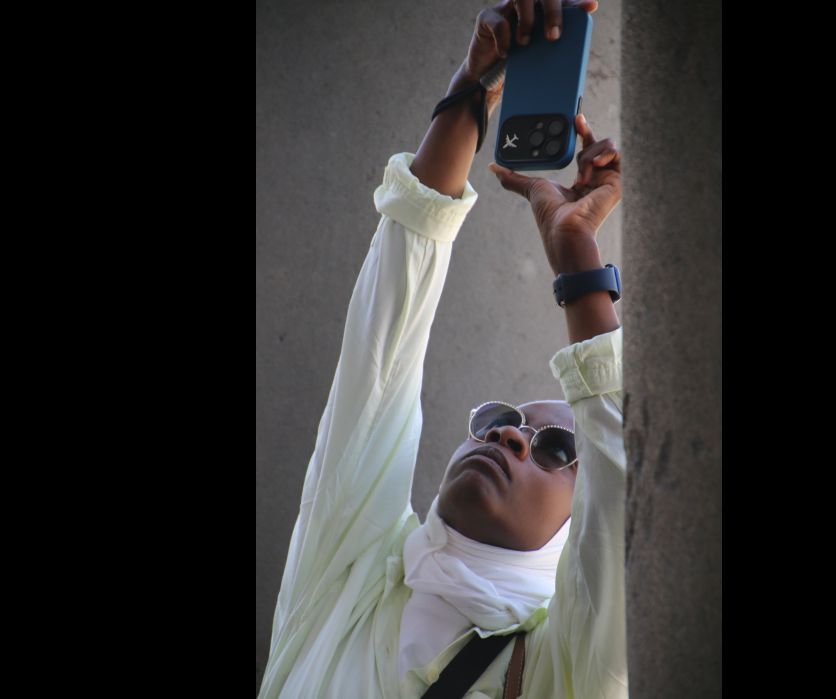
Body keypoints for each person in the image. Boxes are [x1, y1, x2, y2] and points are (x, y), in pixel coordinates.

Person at [258, 1, 625, 696]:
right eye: (501, 421)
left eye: (555, 450)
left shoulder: (569, 670)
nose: (511, 436)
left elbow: (624, 500)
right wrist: (472, 88)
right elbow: (381, 350)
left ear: (574, 533)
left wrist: (578, 254)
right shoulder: (346, 578)